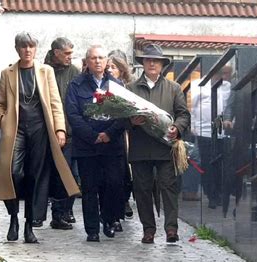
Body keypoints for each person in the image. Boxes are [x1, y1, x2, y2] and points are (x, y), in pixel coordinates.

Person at [0, 32, 80, 243]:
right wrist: (3, 120)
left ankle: (29, 225)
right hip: (16, 130)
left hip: (40, 129)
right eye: (23, 47)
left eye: (31, 47)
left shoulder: (45, 71)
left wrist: (60, 129)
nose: (27, 50)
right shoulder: (8, 73)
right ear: (17, 49)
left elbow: (55, 102)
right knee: (12, 173)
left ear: (36, 49)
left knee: (34, 177)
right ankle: (13, 217)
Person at [127, 44, 190, 243]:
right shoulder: (131, 89)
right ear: (143, 63)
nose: (152, 63)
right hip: (141, 148)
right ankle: (148, 230)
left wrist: (177, 128)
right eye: (148, 60)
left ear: (163, 64)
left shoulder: (174, 88)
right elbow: (119, 119)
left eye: (156, 60)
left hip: (165, 148)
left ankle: (171, 229)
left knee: (169, 188)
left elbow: (183, 114)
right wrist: (130, 121)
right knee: (142, 190)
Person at [65, 45, 125, 242]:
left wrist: (108, 133)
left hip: (111, 145)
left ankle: (108, 219)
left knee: (113, 184)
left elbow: (124, 113)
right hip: (86, 146)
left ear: (107, 61)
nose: (97, 61)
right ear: (87, 62)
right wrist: (93, 135)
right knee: (90, 188)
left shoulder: (117, 85)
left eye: (101, 57)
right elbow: (73, 114)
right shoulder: (76, 85)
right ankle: (92, 230)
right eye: (93, 58)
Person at [30, 37, 81, 230]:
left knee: (65, 175)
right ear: (56, 52)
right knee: (42, 174)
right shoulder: (41, 71)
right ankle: (36, 215)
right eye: (67, 53)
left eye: (71, 53)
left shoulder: (74, 72)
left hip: (67, 133)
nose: (70, 57)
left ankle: (61, 214)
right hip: (43, 132)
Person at [190, 66, 233, 209]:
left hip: (222, 131)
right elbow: (193, 107)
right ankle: (211, 195)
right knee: (207, 164)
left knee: (220, 164)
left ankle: (219, 192)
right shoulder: (198, 85)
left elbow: (229, 106)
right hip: (204, 131)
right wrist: (193, 125)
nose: (223, 77)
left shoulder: (227, 86)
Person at [106, 51, 134, 229]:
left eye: (113, 67)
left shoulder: (128, 88)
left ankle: (124, 201)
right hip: (110, 133)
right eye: (108, 67)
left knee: (126, 171)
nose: (109, 70)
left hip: (126, 134)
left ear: (121, 70)